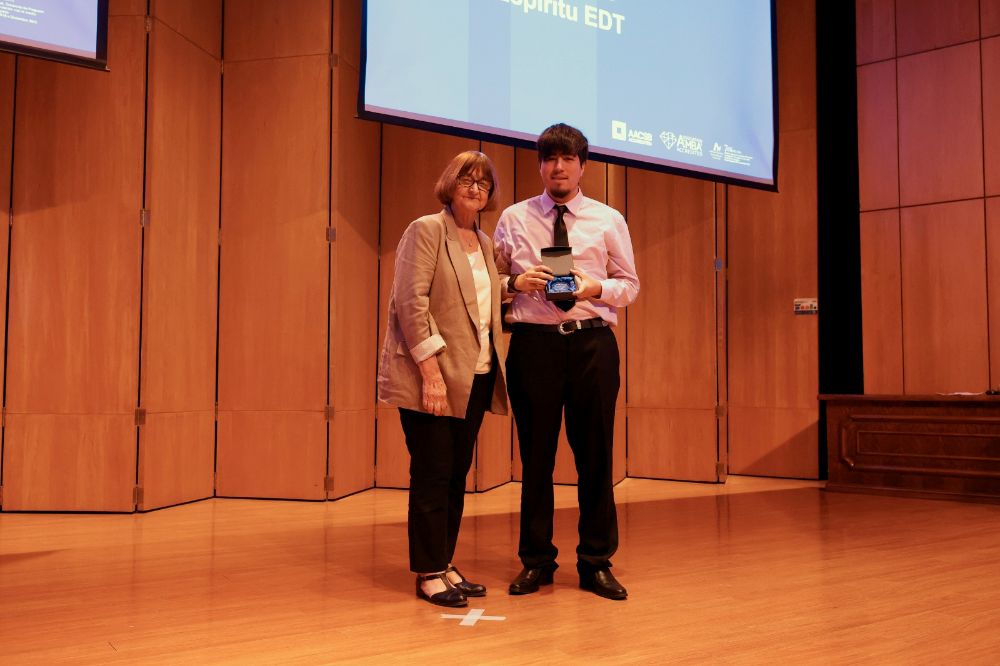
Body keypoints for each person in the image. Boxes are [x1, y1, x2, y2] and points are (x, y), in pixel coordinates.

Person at [493, 123, 639, 600]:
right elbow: (489, 283)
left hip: (592, 344)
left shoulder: (607, 218)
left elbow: (630, 286)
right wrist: (517, 284)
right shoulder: (514, 218)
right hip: (534, 347)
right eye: (550, 158)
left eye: (568, 158)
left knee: (595, 457)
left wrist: (593, 288)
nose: (559, 167)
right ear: (540, 164)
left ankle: (596, 562)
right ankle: (536, 561)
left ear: (582, 165)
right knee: (536, 459)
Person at [377, 151, 508, 608]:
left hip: (474, 376)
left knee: (455, 476)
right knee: (432, 475)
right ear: (450, 183)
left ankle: (445, 562)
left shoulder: (485, 242)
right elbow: (411, 304)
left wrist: (518, 285)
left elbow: (479, 297)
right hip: (432, 377)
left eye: (484, 183)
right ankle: (429, 572)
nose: (476, 188)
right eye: (467, 179)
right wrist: (429, 373)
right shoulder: (426, 229)